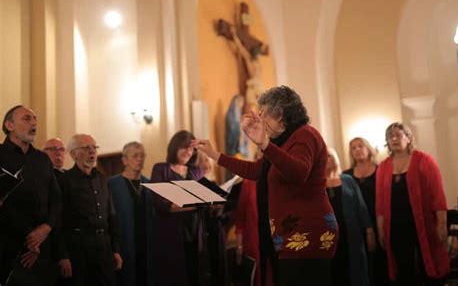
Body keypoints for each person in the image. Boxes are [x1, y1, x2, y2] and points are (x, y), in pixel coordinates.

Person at [193, 85, 338, 286]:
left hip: (308, 232)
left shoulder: (306, 135)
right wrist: (215, 155)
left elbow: (298, 173)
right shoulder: (282, 143)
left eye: (264, 114)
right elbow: (255, 171)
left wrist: (265, 145)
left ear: (280, 114)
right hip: (288, 235)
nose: (259, 120)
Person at [376, 122, 449, 286]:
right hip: (396, 226)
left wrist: (442, 223)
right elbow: (380, 203)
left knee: (427, 263)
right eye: (390, 136)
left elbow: (437, 195)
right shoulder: (384, 166)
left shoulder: (424, 160)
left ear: (408, 138)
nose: (394, 139)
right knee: (403, 267)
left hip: (423, 223)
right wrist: (381, 229)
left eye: (398, 135)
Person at [0, 105, 62, 286]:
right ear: (9, 125)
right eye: (26, 119)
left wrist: (47, 227)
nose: (34, 123)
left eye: (35, 119)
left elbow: (56, 198)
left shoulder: (42, 158)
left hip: (44, 246)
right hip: (10, 246)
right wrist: (30, 236)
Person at [57, 134, 122, 286]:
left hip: (104, 246)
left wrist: (116, 249)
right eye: (87, 148)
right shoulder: (64, 181)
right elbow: (58, 221)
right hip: (78, 248)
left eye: (94, 147)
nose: (92, 151)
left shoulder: (102, 179)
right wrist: (62, 255)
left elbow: (111, 216)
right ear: (73, 154)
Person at [150, 130, 208, 286]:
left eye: (192, 149)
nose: (188, 151)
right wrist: (192, 204)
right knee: (175, 276)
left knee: (196, 275)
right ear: (175, 146)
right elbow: (160, 204)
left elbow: (204, 199)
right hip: (171, 234)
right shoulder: (161, 169)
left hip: (195, 231)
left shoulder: (197, 171)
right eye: (185, 147)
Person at [108, 142, 157, 286]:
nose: (140, 159)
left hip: (147, 243)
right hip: (123, 243)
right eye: (135, 155)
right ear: (124, 160)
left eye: (142, 155)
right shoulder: (112, 184)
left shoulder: (150, 184)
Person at [343, 137, 389, 286]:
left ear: (368, 148)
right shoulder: (346, 175)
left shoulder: (381, 170)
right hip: (357, 225)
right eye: (353, 148)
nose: (357, 150)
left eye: (360, 146)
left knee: (381, 262)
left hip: (379, 220)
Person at [326, 148, 374, 286]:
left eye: (329, 155)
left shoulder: (348, 180)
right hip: (327, 236)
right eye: (323, 156)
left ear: (335, 157)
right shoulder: (316, 182)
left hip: (351, 233)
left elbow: (361, 206)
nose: (327, 158)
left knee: (355, 269)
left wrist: (369, 230)